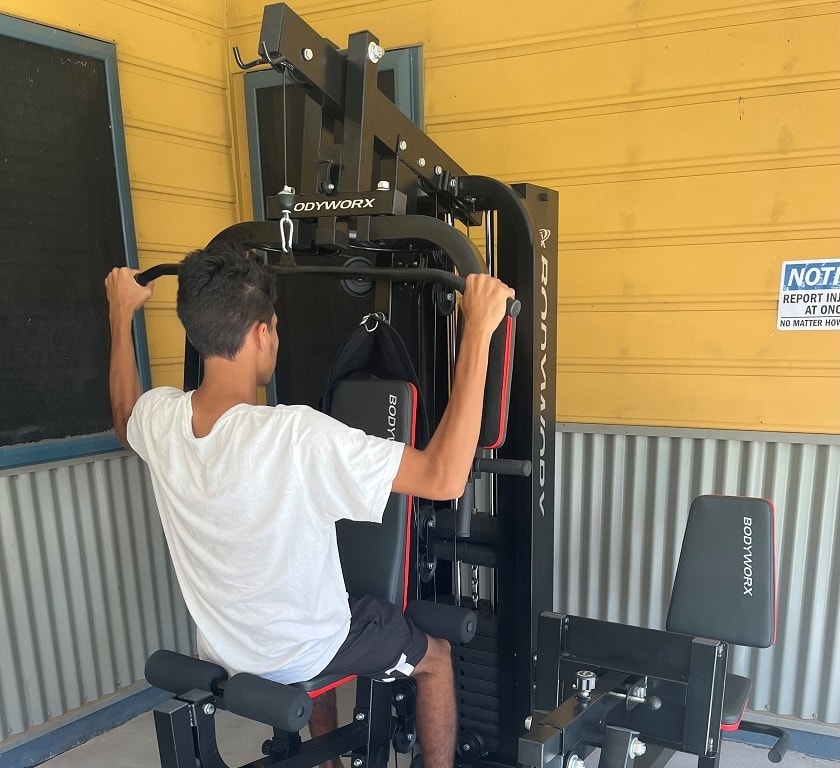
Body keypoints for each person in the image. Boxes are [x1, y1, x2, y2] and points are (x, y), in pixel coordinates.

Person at [105, 242, 514, 768]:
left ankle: (328, 761)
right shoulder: (294, 436)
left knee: (319, 607)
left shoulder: (160, 420)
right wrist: (479, 328)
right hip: (305, 648)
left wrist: (121, 314)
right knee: (435, 658)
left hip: (229, 649)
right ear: (260, 334)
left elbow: (123, 416)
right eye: (273, 327)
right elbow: (444, 476)